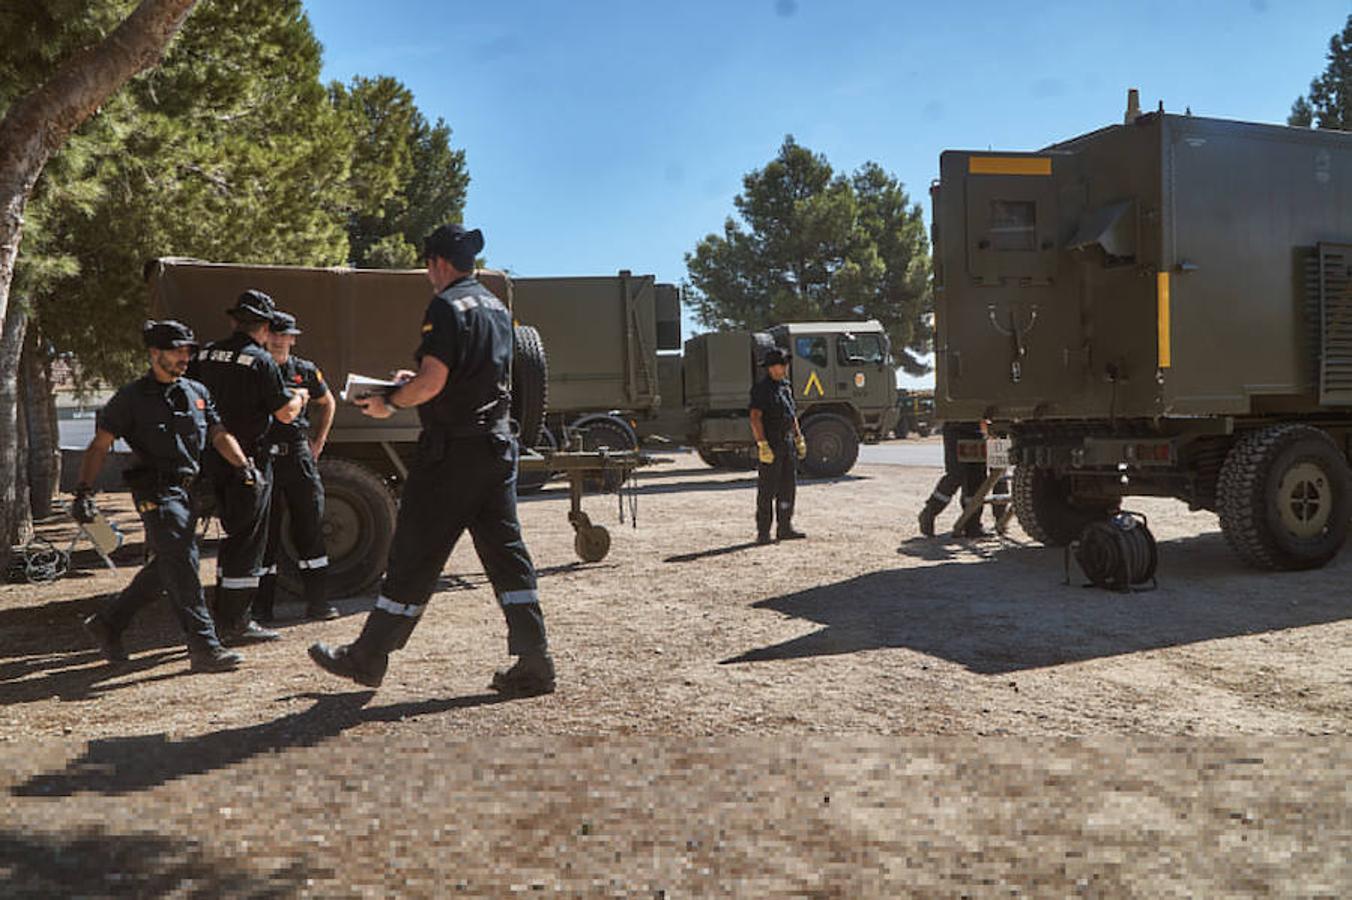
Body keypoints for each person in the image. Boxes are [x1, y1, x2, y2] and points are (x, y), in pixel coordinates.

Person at [308, 223, 554, 695]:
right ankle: (535, 659)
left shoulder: (445, 305)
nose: (428, 275)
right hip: (496, 448)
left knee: (414, 553)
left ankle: (368, 657)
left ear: (438, 263)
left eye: (427, 266)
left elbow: (435, 381)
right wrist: (415, 378)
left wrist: (391, 401)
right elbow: (464, 374)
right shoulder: (497, 308)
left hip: (453, 454)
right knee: (507, 556)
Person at [77, 321, 256, 673]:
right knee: (184, 559)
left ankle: (109, 622)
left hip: (189, 491)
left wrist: (243, 466)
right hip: (154, 492)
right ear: (154, 353)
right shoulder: (129, 399)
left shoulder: (196, 392)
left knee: (167, 566)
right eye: (177, 351)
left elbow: (218, 433)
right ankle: (204, 645)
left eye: (188, 351)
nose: (184, 357)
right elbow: (99, 446)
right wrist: (83, 491)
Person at [188, 289, 306, 644]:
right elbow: (284, 412)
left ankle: (222, 611)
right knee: (246, 540)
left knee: (227, 538)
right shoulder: (260, 360)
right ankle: (236, 622)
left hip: (209, 457)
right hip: (248, 461)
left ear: (233, 320)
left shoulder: (206, 352)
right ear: (266, 327)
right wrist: (299, 397)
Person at [253, 310, 339, 623]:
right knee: (266, 534)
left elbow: (328, 402)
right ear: (265, 336)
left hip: (298, 455)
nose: (278, 340)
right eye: (273, 334)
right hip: (265, 457)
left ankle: (319, 603)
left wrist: (317, 443)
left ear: (292, 338)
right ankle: (262, 608)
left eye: (284, 335)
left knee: (310, 527)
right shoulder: (257, 368)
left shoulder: (303, 370)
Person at [749, 347, 807, 544]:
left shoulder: (786, 387)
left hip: (787, 442)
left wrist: (799, 438)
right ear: (769, 368)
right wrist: (762, 444)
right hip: (771, 443)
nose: (778, 369)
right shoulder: (761, 389)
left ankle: (785, 528)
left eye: (781, 365)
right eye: (774, 366)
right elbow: (755, 418)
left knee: (787, 487)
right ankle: (763, 532)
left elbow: (792, 416)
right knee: (767, 490)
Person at [918, 420, 989, 537]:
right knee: (956, 476)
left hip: (977, 431)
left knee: (977, 478)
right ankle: (929, 513)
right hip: (956, 429)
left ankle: (972, 524)